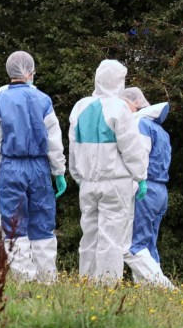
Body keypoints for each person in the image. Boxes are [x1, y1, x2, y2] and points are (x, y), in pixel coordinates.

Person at [0, 51, 67, 283]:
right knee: (43, 223)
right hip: (39, 169)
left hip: (10, 168)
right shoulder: (43, 100)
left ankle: (24, 279)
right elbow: (54, 140)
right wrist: (58, 171)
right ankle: (47, 280)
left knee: (14, 225)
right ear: (29, 73)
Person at [68, 60, 148, 283]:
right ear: (118, 81)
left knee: (90, 235)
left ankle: (86, 283)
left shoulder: (81, 106)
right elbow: (131, 148)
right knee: (111, 238)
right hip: (116, 182)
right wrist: (141, 176)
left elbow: (73, 147)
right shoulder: (119, 107)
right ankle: (106, 287)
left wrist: (77, 175)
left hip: (88, 182)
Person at [120, 87, 175, 289]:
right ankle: (148, 293)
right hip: (160, 190)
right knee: (149, 244)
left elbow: (139, 158)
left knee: (134, 245)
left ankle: (165, 288)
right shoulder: (160, 130)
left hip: (145, 188)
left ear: (133, 103)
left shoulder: (139, 123)